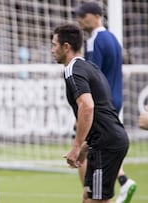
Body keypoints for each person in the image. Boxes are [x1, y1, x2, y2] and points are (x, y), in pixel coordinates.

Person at [51, 24, 130, 203]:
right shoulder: (91, 67)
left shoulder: (73, 69)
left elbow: (88, 107)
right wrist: (85, 147)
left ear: (66, 47)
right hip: (104, 142)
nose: (52, 50)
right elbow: (102, 111)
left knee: (96, 200)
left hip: (106, 143)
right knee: (89, 198)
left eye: (54, 45)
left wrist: (77, 146)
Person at [75, 2, 136, 203]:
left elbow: (92, 75)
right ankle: (121, 181)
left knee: (85, 146)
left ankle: (92, 195)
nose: (79, 20)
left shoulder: (95, 41)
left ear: (96, 16)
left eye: (83, 16)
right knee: (101, 146)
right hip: (114, 100)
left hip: (101, 104)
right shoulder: (113, 39)